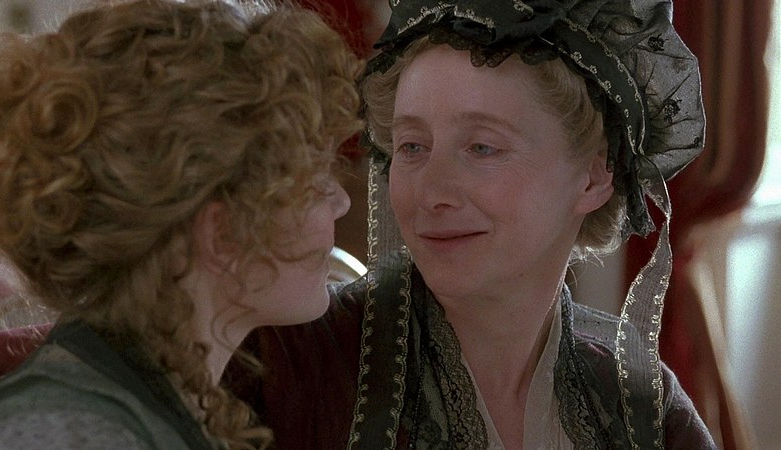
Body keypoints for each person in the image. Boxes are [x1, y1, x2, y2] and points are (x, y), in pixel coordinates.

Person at [231, 0, 718, 448]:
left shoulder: (643, 410)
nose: (432, 193)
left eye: (482, 148)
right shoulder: (283, 362)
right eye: (412, 147)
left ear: (594, 176)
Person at [0, 0, 361, 448]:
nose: (341, 202)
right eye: (314, 181)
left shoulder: (147, 391)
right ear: (222, 232)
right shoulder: (77, 433)